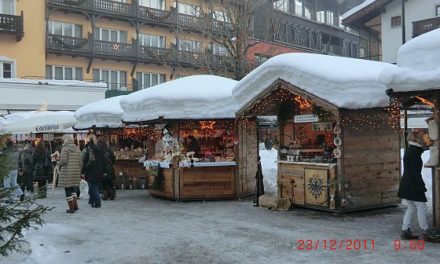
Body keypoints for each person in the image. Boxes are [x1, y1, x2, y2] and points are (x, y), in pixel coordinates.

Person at [398, 131, 430, 240]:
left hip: (406, 183)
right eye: (422, 138)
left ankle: (405, 230)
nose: (424, 140)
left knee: (412, 207)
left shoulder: (410, 150)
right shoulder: (415, 153)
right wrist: (421, 186)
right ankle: (425, 231)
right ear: (418, 139)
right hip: (413, 184)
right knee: (421, 207)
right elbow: (416, 173)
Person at [57, 134, 82, 213]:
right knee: (73, 189)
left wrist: (58, 163)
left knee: (67, 189)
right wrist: (79, 170)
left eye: (63, 140)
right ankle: (75, 206)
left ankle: (71, 208)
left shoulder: (65, 149)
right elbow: (81, 162)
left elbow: (64, 160)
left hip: (67, 172)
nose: (62, 141)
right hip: (75, 171)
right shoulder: (77, 148)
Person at [81, 134, 104, 208]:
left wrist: (83, 170)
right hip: (99, 169)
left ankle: (97, 203)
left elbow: (86, 160)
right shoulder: (100, 147)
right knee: (94, 186)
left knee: (93, 187)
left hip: (91, 170)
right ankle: (92, 201)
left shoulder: (89, 148)